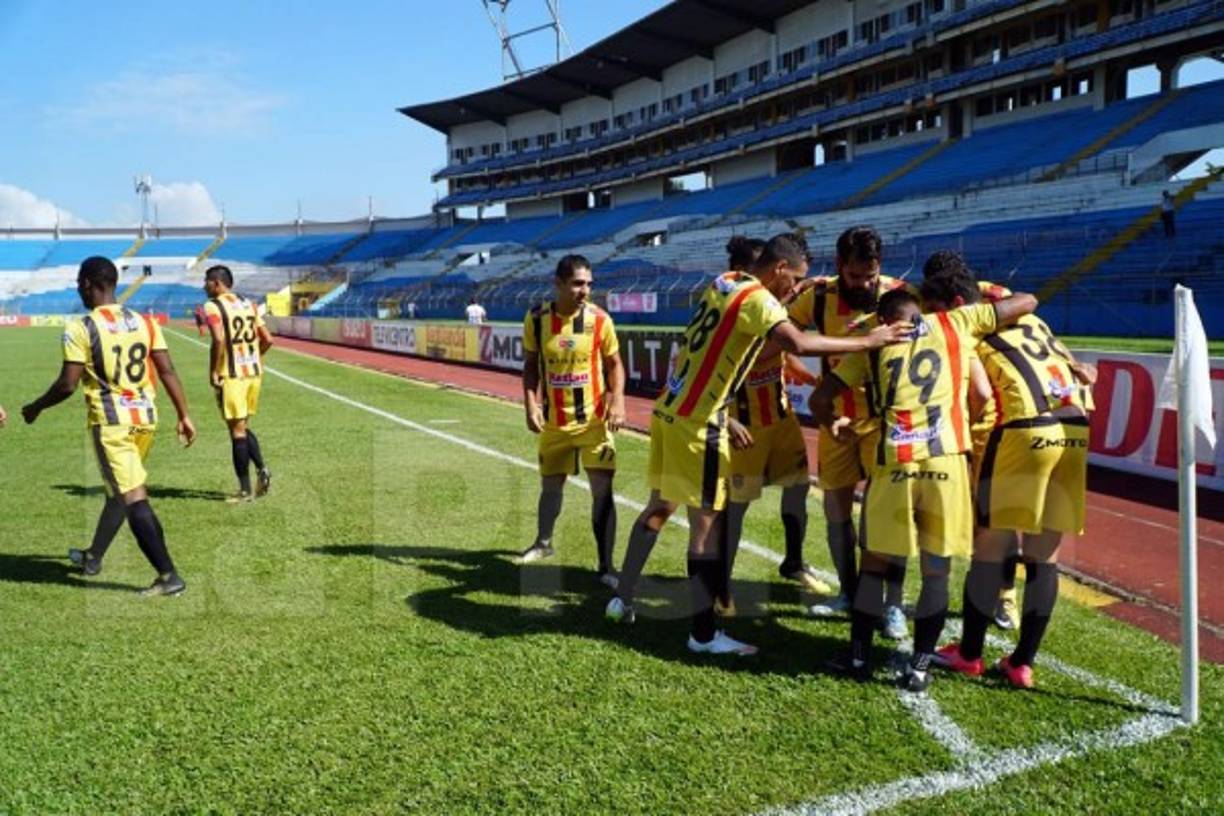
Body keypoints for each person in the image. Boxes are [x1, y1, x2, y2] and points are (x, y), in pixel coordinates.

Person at [605, 233, 911, 657]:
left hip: (671, 410)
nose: (794, 289)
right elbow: (799, 343)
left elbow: (761, 312)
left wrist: (803, 287)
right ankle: (704, 633)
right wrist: (869, 340)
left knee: (661, 505)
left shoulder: (726, 280)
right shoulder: (762, 303)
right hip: (702, 422)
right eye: (794, 279)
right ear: (780, 269)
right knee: (706, 528)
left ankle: (622, 598)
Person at [811, 283, 1037, 690]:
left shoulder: (872, 345)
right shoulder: (955, 321)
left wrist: (835, 425)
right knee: (937, 573)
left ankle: (860, 657)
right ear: (921, 313)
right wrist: (981, 292)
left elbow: (819, 399)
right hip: (946, 462)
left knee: (874, 567)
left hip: (893, 463)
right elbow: (1027, 302)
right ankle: (919, 667)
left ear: (884, 321)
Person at [923, 260, 1092, 689]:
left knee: (990, 546)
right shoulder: (1030, 317)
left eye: (935, 309)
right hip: (1074, 424)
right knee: (1045, 554)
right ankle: (1021, 663)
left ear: (957, 305)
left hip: (1023, 429)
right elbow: (1063, 357)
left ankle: (969, 653)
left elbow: (979, 393)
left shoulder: (965, 330)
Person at [21, 256, 196, 596]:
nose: (78, 290)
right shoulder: (145, 322)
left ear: (88, 283)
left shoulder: (81, 328)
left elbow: (67, 385)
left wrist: (35, 408)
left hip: (113, 424)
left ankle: (168, 576)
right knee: (120, 491)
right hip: (145, 419)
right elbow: (167, 370)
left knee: (132, 496)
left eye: (79, 284)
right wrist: (184, 414)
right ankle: (93, 557)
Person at [790, 226, 912, 639]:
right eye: (856, 277)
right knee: (836, 510)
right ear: (840, 266)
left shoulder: (900, 295)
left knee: (890, 515)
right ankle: (849, 591)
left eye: (871, 275)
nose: (865, 284)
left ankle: (893, 606)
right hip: (834, 420)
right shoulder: (818, 296)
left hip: (888, 422)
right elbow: (780, 331)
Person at [719, 236, 830, 618]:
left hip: (780, 419)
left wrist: (811, 380)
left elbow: (779, 356)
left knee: (798, 490)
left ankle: (794, 562)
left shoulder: (770, 307)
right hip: (746, 427)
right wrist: (726, 417)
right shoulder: (732, 308)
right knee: (737, 508)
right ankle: (722, 585)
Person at [519, 254, 626, 586]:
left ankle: (606, 566)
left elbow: (615, 365)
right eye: (578, 283)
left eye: (589, 284)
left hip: (594, 422)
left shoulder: (600, 320)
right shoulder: (536, 319)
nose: (585, 290)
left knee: (602, 491)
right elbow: (531, 366)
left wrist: (617, 400)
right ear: (559, 283)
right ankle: (543, 543)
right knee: (551, 487)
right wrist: (530, 404)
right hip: (555, 422)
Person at [203, 264, 274, 503]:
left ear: (217, 283)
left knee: (236, 430)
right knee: (241, 426)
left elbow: (219, 338)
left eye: (207, 282)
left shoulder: (213, 305)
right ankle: (262, 470)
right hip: (253, 373)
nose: (205, 286)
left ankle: (244, 491)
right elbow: (268, 339)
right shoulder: (249, 304)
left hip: (231, 375)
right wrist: (255, 357)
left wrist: (214, 371)